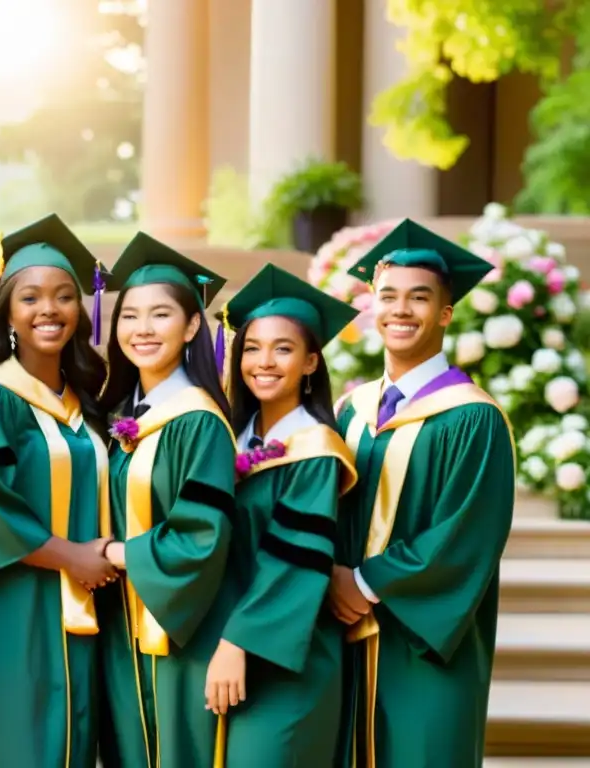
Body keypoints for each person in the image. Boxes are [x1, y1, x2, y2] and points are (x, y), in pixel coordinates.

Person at [329, 219, 516, 768]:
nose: (400, 310)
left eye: (419, 298)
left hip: (425, 643)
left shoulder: (472, 418)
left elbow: (466, 537)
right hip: (345, 634)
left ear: (445, 313)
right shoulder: (353, 410)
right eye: (387, 297)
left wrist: (362, 582)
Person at [0, 214, 115, 768]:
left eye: (65, 296)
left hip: (90, 609)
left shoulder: (87, 400)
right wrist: (73, 558)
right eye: (31, 297)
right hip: (16, 607)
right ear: (9, 314)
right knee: (20, 742)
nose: (50, 309)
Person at [202, 263, 359, 765]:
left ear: (312, 361)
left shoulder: (316, 450)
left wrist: (237, 642)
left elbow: (295, 556)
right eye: (251, 347)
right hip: (228, 645)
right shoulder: (228, 438)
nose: (263, 362)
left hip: (289, 653)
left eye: (283, 349)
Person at [96, 232, 237, 768]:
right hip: (122, 630)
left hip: (182, 631)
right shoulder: (122, 414)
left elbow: (201, 537)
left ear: (193, 326)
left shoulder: (198, 420)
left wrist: (112, 553)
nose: (142, 330)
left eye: (160, 315)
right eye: (129, 316)